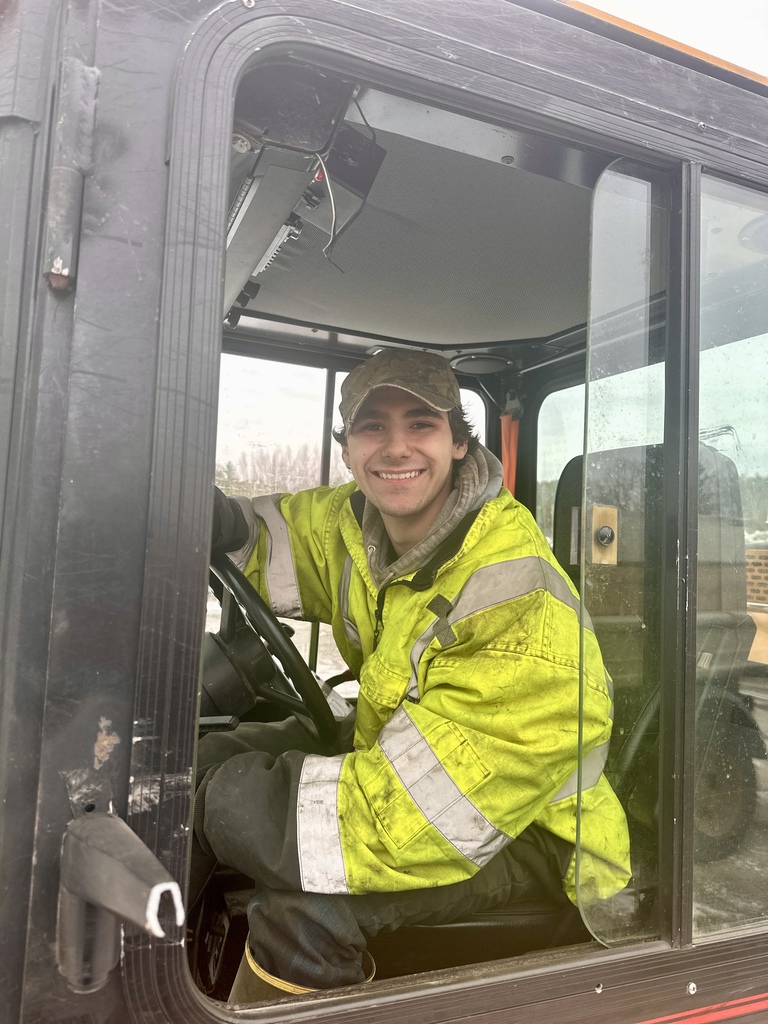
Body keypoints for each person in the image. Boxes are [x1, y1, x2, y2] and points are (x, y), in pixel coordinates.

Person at [196, 348, 630, 999]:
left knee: (301, 913)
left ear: (458, 442)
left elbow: (411, 824)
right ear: (347, 447)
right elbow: (273, 543)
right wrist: (213, 519)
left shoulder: (518, 604)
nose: (395, 447)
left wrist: (224, 807)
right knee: (197, 759)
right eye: (373, 426)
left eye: (420, 423)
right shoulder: (359, 524)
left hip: (536, 837)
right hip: (414, 762)